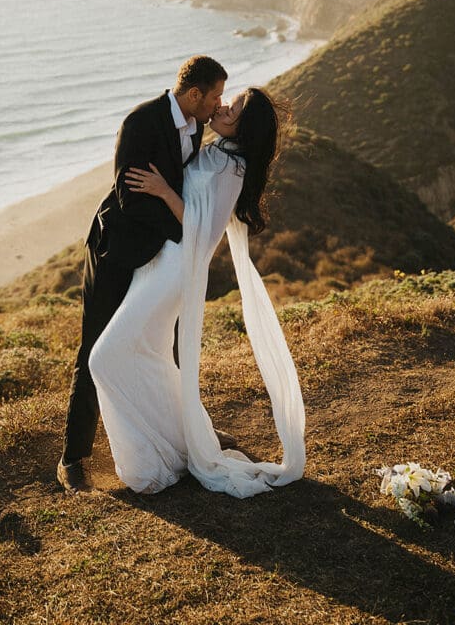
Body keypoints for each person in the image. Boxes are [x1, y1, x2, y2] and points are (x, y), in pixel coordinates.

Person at [88, 87, 306, 498]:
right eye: (226, 100)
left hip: (175, 268)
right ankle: (176, 444)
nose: (223, 106)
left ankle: (149, 461)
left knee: (105, 357)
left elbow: (204, 233)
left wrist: (163, 191)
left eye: (234, 106)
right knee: (148, 355)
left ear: (246, 125)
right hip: (160, 261)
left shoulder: (232, 167)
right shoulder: (222, 151)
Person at [58, 55, 229, 493]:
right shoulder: (140, 123)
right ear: (194, 94)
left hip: (159, 255)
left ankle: (182, 432)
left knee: (163, 346)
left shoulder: (197, 125)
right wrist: (182, 224)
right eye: (215, 97)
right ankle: (73, 459)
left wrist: (176, 215)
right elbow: (132, 199)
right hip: (118, 251)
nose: (218, 105)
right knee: (95, 347)